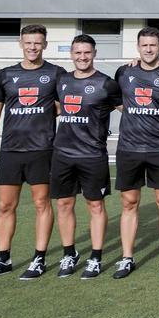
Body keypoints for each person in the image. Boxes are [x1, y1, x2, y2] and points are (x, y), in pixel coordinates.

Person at [0, 24, 66, 281]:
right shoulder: (5, 75)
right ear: (21, 44)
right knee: (5, 205)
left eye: (37, 43)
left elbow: (67, 104)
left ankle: (39, 259)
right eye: (28, 43)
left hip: (42, 149)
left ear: (45, 44)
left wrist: (50, 111)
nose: (32, 47)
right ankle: (2, 259)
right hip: (11, 150)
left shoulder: (56, 73)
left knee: (41, 204)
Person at [111, 26, 159, 279]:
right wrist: (137, 114)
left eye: (153, 45)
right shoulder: (124, 72)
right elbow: (117, 101)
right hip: (129, 148)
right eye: (144, 45)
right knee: (129, 203)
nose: (148, 49)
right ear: (138, 47)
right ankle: (127, 258)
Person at [49, 34, 121, 279]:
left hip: (92, 155)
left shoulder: (106, 84)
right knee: (64, 204)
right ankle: (69, 254)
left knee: (95, 205)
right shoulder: (61, 80)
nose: (82, 57)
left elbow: (130, 109)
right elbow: (56, 108)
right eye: (78, 52)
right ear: (71, 54)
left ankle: (96, 258)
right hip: (62, 154)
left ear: (94, 54)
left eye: (87, 52)